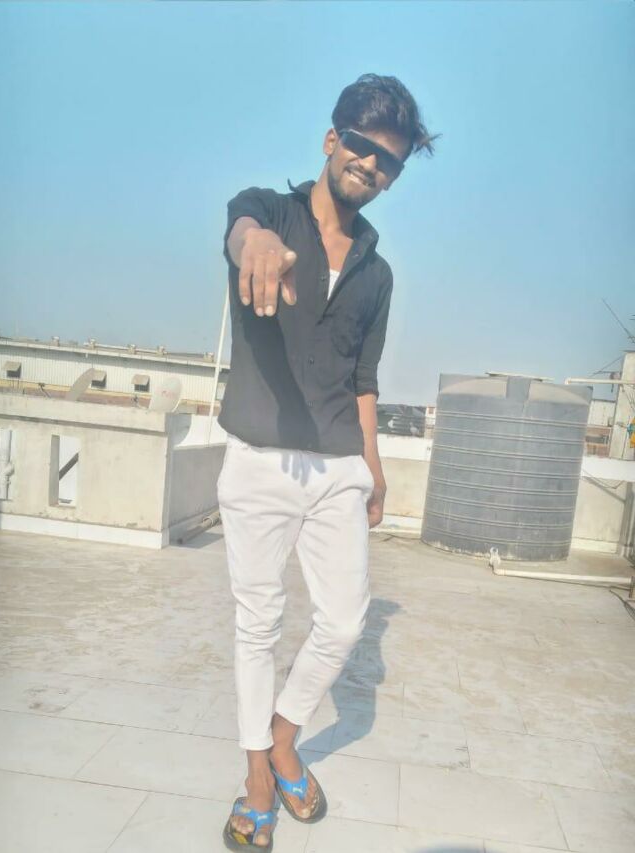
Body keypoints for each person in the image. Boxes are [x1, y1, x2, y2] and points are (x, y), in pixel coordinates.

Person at [218, 73, 436, 851]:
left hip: (340, 461)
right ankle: (257, 776)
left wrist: (374, 467)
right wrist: (257, 245)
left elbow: (364, 378)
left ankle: (284, 736)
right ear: (332, 138)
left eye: (390, 161)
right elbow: (240, 231)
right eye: (363, 146)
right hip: (260, 458)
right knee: (259, 624)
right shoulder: (265, 212)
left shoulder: (378, 272)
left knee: (343, 621)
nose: (372, 165)